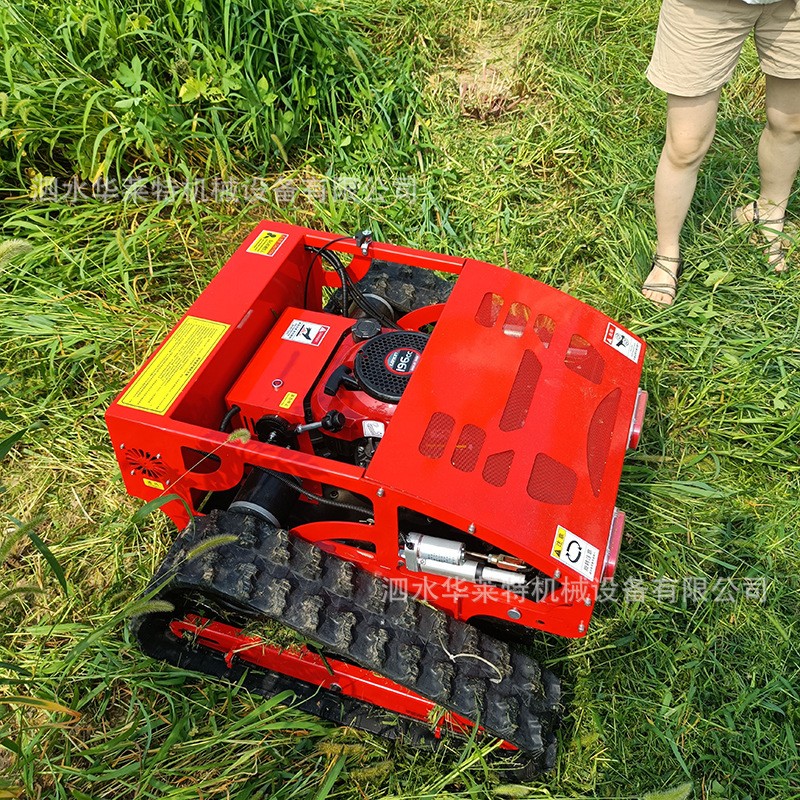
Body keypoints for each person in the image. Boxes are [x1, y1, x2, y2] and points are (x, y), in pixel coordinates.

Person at [641, 0, 800, 306]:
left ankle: (768, 214)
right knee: (686, 144)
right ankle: (667, 253)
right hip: (704, 7)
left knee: (792, 123)